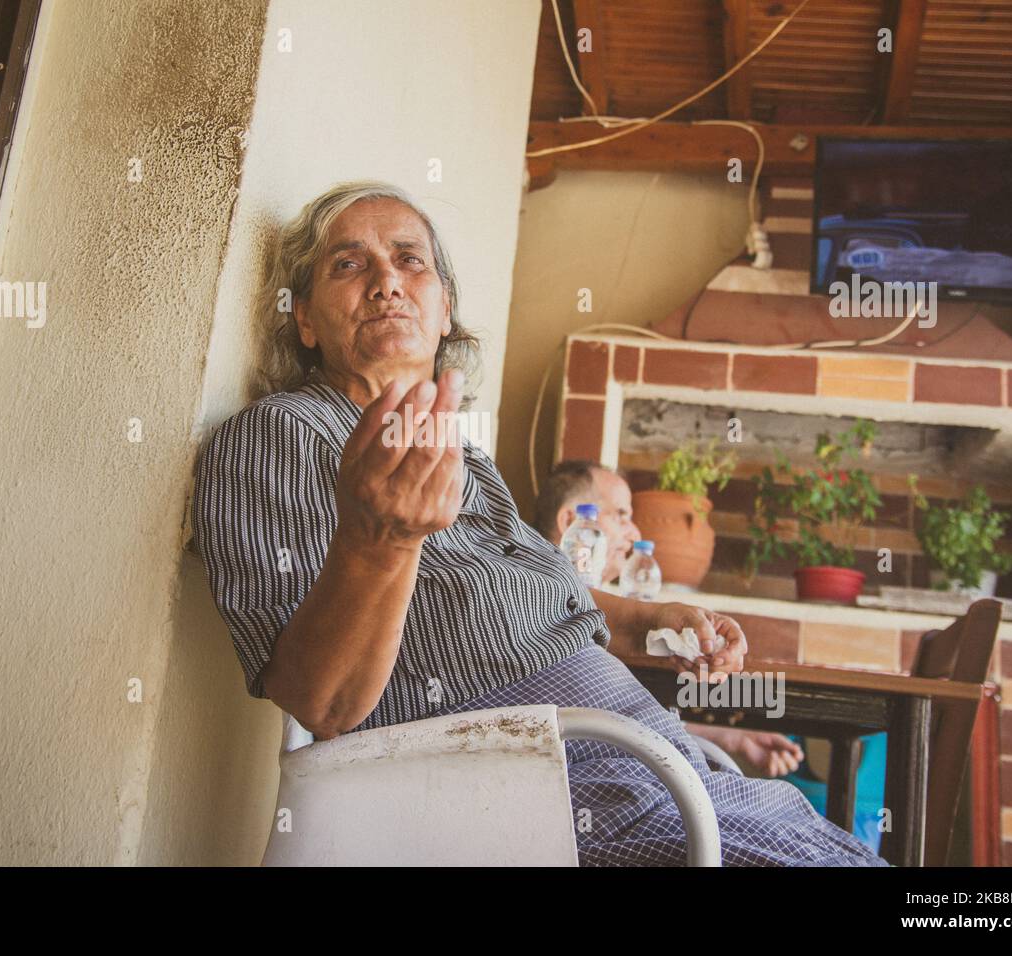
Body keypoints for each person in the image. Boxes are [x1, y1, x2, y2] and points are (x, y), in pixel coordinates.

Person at [193, 180, 886, 866]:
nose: (385, 282)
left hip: (642, 767)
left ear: (444, 314)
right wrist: (384, 543)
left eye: (410, 260)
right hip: (543, 799)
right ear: (306, 320)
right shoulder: (277, 436)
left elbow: (535, 584)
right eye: (347, 265)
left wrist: (649, 617)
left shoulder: (458, 452)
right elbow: (323, 704)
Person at [535, 459, 805, 779]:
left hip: (652, 770)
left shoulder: (597, 617)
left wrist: (731, 737)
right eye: (621, 515)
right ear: (573, 521)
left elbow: (626, 720)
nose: (634, 533)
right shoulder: (540, 607)